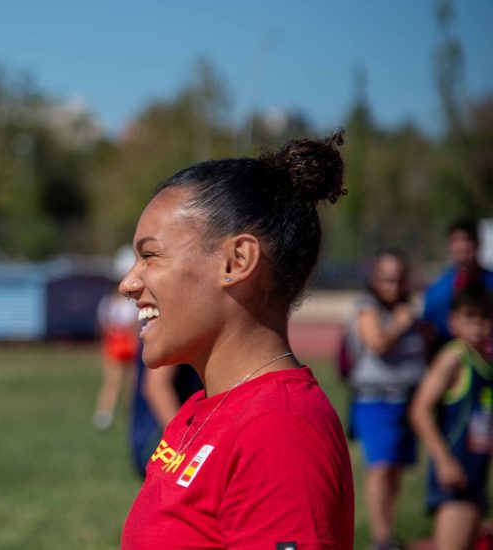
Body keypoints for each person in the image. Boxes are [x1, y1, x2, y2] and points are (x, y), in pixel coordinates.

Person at [119, 133, 354, 547]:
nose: (128, 283)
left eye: (150, 256)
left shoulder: (280, 430)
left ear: (237, 261)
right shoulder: (199, 409)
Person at [348, 250, 428, 549]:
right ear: (375, 280)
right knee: (380, 468)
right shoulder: (367, 308)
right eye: (386, 279)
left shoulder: (409, 308)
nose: (393, 286)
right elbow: (377, 342)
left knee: (395, 470)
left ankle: (390, 534)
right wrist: (400, 322)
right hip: (376, 401)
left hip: (406, 400)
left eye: (398, 279)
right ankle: (381, 537)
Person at [409, 290, 493, 550]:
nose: (478, 326)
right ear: (453, 321)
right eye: (470, 319)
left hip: (476, 474)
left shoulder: (485, 362)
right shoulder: (454, 357)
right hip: (455, 474)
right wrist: (443, 459)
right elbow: (419, 410)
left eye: (484, 319)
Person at [423, 220, 493, 354]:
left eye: (468, 240)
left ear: (478, 244)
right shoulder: (437, 291)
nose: (462, 247)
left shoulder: (490, 282)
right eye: (456, 241)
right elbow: (429, 332)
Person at [127, 354, 201, 477]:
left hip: (148, 433)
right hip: (158, 437)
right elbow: (156, 385)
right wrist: (186, 443)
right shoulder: (177, 335)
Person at [94, 292, 139, 429]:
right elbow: (103, 325)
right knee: (112, 381)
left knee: (132, 384)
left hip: (129, 346)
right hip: (115, 346)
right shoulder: (108, 301)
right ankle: (105, 414)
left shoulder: (131, 303)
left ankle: (130, 415)